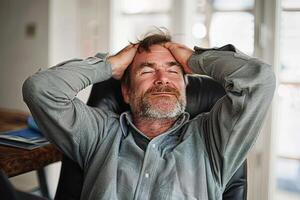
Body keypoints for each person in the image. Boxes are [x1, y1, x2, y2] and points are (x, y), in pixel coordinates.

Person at [22, 31, 276, 200]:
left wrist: (196, 59)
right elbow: (41, 90)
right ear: (126, 92)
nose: (162, 79)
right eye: (146, 71)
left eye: (173, 71)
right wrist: (109, 64)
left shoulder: (214, 140)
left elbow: (258, 79)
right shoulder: (98, 134)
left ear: (185, 88)